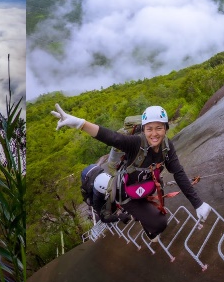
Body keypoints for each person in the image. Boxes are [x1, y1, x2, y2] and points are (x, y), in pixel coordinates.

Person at [53, 104, 211, 242]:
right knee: (160, 224)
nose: (154, 134)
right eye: (149, 129)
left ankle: (144, 214)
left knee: (158, 200)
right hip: (127, 193)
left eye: (159, 128)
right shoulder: (136, 143)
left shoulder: (167, 147)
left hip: (148, 185)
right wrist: (80, 123)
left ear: (166, 128)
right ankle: (148, 228)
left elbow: (178, 173)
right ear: (143, 130)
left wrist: (197, 203)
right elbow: (112, 138)